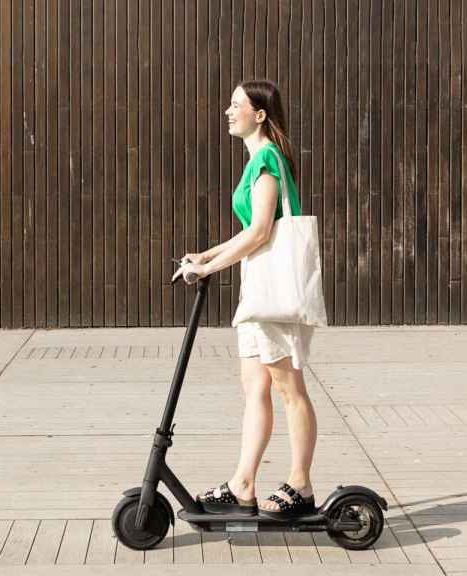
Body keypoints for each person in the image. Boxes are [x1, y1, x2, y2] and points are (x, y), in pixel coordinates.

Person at [171, 79, 317, 519]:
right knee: (255, 388)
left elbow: (260, 232)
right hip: (258, 291)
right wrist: (207, 253)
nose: (228, 111)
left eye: (236, 105)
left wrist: (209, 268)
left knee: (290, 390)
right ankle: (243, 484)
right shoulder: (256, 160)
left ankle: (301, 485)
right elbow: (252, 228)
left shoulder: (268, 159)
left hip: (275, 295)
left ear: (260, 115)